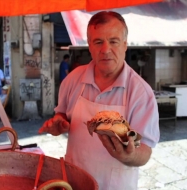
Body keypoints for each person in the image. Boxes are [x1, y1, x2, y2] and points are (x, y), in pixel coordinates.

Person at [39, 11, 159, 190]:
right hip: (75, 182)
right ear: (89, 45)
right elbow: (62, 114)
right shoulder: (73, 80)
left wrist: (129, 156)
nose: (105, 50)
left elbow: (146, 151)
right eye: (98, 42)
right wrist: (59, 124)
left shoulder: (141, 93)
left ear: (125, 45)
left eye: (113, 41)